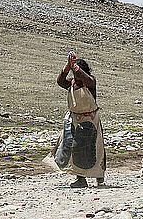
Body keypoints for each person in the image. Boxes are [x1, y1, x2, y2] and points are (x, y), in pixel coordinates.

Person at [49, 52, 106, 188]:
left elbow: (83, 77)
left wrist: (74, 66)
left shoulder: (90, 81)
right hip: (74, 120)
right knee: (75, 149)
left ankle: (99, 175)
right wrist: (66, 67)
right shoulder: (71, 83)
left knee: (94, 148)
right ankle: (80, 178)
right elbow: (60, 81)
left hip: (90, 120)